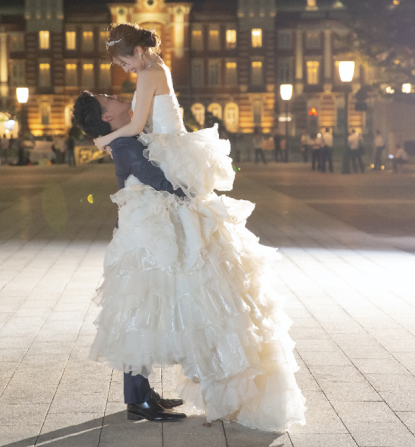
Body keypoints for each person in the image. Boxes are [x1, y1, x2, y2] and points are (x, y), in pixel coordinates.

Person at [88, 23, 306, 431]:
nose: (124, 71)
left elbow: (135, 127)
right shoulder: (155, 70)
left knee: (176, 263)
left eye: (123, 61)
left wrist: (106, 140)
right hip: (169, 151)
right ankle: (146, 391)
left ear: (137, 51)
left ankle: (147, 391)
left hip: (169, 152)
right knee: (184, 261)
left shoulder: (151, 73)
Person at [73, 90, 187, 422]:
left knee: (143, 311)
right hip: (143, 241)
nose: (113, 94)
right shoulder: (124, 146)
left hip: (145, 234)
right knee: (139, 312)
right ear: (107, 117)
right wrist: (196, 187)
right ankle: (138, 400)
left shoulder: (124, 138)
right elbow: (161, 182)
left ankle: (140, 394)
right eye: (106, 98)